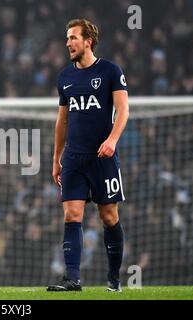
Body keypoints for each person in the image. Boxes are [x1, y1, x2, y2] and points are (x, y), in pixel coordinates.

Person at [48, 19, 129, 292]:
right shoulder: (65, 77)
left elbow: (123, 110)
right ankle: (72, 279)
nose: (68, 43)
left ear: (88, 41)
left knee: (109, 217)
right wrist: (56, 157)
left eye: (72, 38)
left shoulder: (110, 71)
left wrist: (112, 140)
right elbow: (63, 121)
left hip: (102, 158)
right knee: (71, 215)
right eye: (67, 38)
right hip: (73, 158)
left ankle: (114, 280)